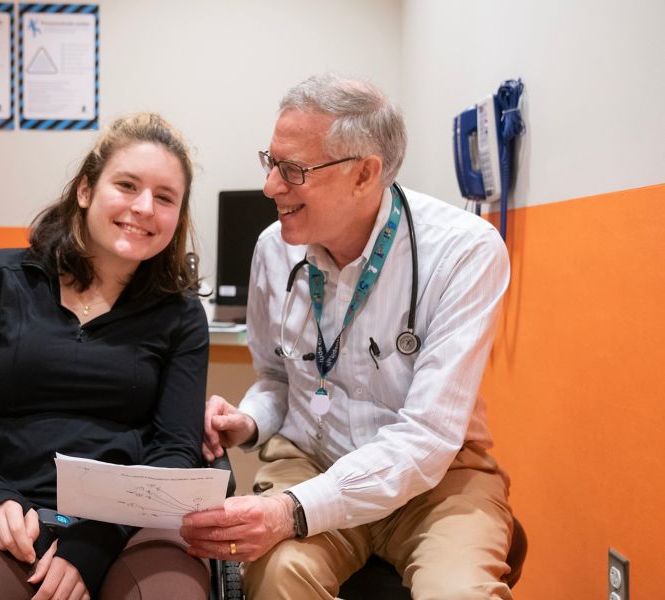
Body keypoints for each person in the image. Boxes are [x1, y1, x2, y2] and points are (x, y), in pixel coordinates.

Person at [180, 73, 515, 600]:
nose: (271, 187)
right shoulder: (274, 248)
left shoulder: (464, 252)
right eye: (271, 163)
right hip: (311, 460)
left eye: (293, 170)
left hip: (438, 480)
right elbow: (274, 376)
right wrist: (247, 421)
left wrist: (291, 511)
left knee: (460, 592)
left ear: (365, 174)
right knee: (275, 577)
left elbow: (427, 437)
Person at [0, 113, 211, 600]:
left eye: (165, 197)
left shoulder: (181, 315)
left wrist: (96, 540)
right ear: (86, 189)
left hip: (132, 526)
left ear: (178, 216)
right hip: (10, 515)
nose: (144, 207)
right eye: (127, 185)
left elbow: (175, 450)